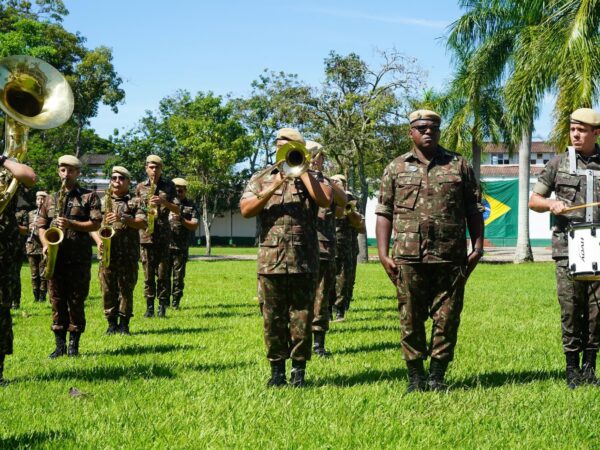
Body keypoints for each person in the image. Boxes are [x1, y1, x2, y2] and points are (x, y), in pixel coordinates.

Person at [375, 109, 484, 393]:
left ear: (439, 132)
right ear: (410, 132)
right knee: (409, 317)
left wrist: (479, 246)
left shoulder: (458, 165)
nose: (427, 132)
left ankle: (436, 376)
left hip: (450, 256)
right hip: (408, 257)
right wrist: (383, 253)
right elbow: (384, 212)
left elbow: (474, 209)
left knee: (447, 318)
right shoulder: (395, 168)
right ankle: (415, 377)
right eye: (421, 128)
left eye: (433, 128)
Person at [240, 128, 332, 387]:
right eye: (279, 143)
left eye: (288, 143)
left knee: (302, 316)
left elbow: (325, 201)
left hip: (303, 259)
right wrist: (276, 183)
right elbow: (246, 209)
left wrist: (302, 173)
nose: (282, 147)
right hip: (271, 261)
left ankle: (299, 371)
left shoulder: (312, 177)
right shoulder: (261, 178)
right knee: (273, 318)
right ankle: (277, 372)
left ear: (300, 148)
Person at [529, 107, 600, 389]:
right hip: (568, 247)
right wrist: (551, 204)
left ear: (596, 133)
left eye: (581, 130)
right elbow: (535, 199)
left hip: (599, 247)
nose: (575, 134)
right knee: (571, 307)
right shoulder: (558, 163)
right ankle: (571, 368)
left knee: (596, 310)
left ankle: (590, 367)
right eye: (573, 129)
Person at [38, 155, 101, 358]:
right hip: (56, 258)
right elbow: (40, 226)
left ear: (78, 173)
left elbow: (96, 224)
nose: (67, 174)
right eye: (63, 170)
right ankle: (59, 346)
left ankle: (74, 346)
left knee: (76, 300)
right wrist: (46, 244)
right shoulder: (49, 199)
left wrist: (71, 224)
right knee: (56, 300)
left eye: (71, 171)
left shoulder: (89, 197)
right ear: (59, 171)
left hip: (78, 259)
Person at [91, 166, 147, 335]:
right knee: (107, 289)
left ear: (128, 182)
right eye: (114, 178)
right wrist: (99, 240)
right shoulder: (101, 201)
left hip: (128, 254)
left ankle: (124, 324)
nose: (117, 181)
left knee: (126, 289)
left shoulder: (136, 202)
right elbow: (93, 225)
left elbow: (143, 223)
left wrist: (123, 217)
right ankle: (111, 323)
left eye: (121, 178)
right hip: (108, 253)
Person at [306, 141, 346, 357]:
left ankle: (318, 344)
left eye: (318, 156)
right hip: (299, 249)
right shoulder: (292, 179)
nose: (314, 159)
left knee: (321, 298)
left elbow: (342, 203)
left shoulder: (327, 182)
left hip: (323, 247)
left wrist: (325, 179)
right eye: (310, 155)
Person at [0, 155, 36, 384]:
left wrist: (4, 159)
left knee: (0, 310)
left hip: (3, 250)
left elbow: (30, 177)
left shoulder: (6, 169)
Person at [135, 155, 180, 318]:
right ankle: (149, 307)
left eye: (157, 167)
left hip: (163, 233)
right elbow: (136, 208)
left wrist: (164, 202)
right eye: (151, 167)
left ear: (161, 168)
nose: (154, 170)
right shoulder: (140, 187)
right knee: (147, 273)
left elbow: (178, 209)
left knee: (162, 273)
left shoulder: (169, 186)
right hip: (146, 234)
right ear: (146, 168)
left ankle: (162, 306)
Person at [329, 175, 365, 321]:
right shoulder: (327, 197)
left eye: (339, 182)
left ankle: (340, 309)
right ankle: (328, 309)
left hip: (346, 246)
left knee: (344, 280)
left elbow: (360, 226)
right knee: (329, 279)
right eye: (334, 181)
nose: (336, 183)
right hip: (329, 244)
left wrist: (348, 208)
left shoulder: (350, 199)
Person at [169, 178, 199, 310]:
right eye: (175, 190)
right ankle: (163, 303)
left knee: (178, 277)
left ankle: (175, 302)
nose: (178, 192)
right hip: (164, 246)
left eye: (181, 190)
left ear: (185, 191)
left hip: (181, 247)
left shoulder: (191, 206)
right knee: (162, 276)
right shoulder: (166, 203)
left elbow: (194, 225)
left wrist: (181, 219)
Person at [25, 191, 48, 303]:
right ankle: (36, 295)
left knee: (43, 273)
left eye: (43, 199)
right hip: (32, 246)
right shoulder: (30, 214)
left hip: (44, 247)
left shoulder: (49, 214)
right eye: (38, 199)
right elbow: (22, 230)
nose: (40, 201)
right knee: (34, 274)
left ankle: (43, 296)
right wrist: (29, 228)